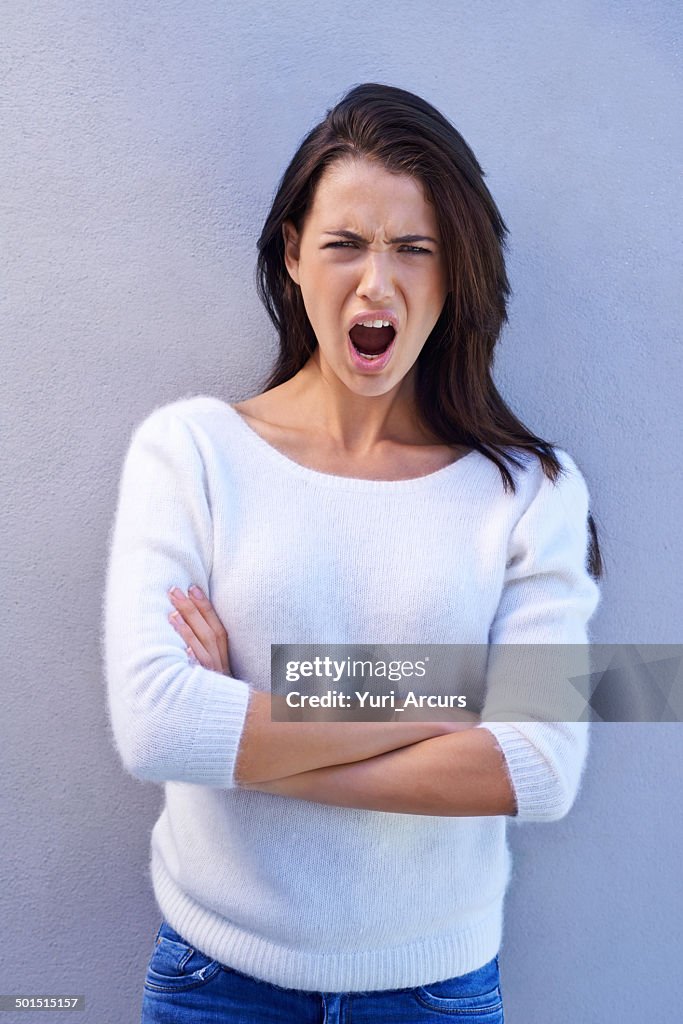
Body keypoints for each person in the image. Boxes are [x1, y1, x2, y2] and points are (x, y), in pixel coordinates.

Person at [103, 83, 603, 1023]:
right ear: (293, 254)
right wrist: (452, 695)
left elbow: (538, 765)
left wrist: (252, 738)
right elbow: (158, 726)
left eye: (413, 248)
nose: (376, 283)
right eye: (344, 244)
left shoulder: (531, 488)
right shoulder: (192, 452)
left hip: (434, 991)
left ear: (453, 272)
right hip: (217, 983)